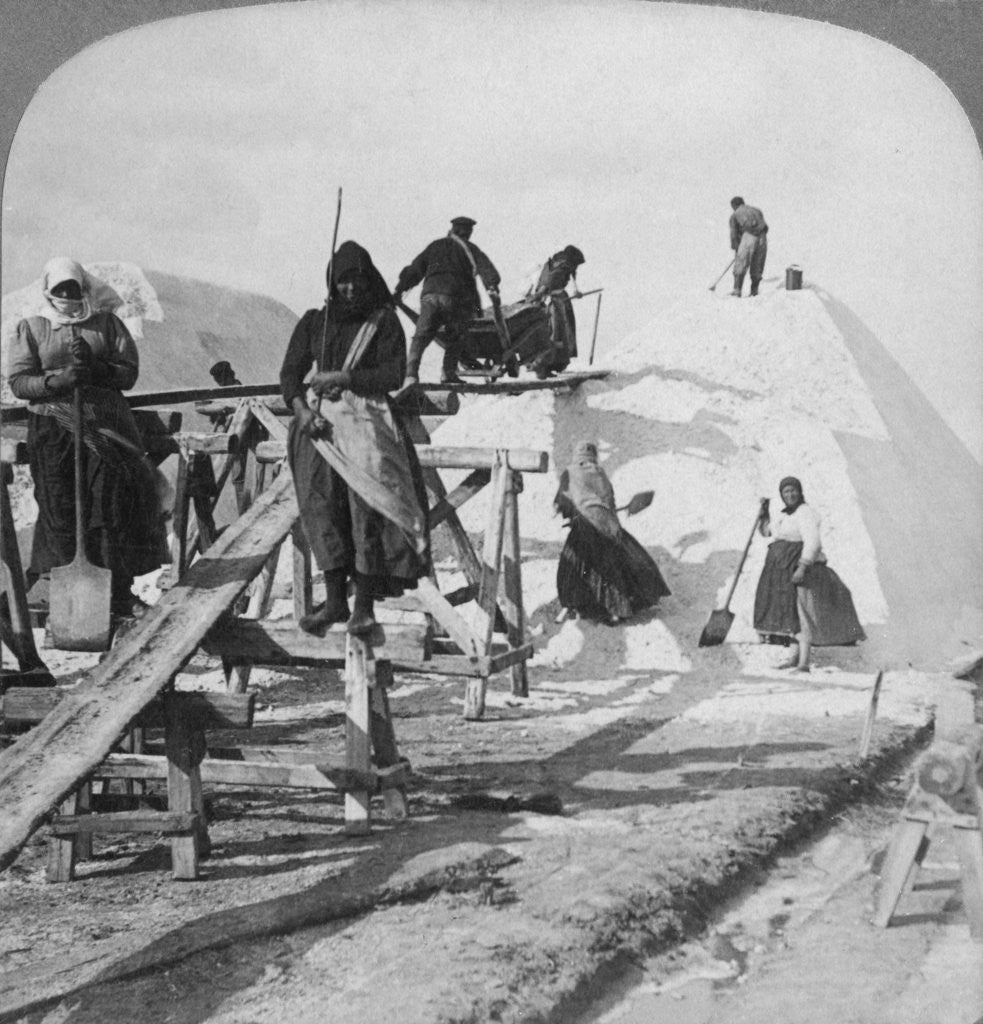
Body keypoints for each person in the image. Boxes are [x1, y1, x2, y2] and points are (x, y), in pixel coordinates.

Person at [280, 240, 431, 637]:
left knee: (367, 509)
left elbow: (393, 374)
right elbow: (290, 373)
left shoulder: (383, 322)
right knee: (321, 507)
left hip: (365, 420)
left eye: (356, 281)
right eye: (342, 281)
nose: (349, 289)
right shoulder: (315, 322)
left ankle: (363, 607)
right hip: (318, 427)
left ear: (368, 281)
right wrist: (302, 411)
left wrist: (344, 377)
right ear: (332, 282)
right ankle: (334, 602)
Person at [6, 258, 166, 619]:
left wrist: (97, 368)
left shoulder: (106, 324)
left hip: (104, 426)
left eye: (72, 287)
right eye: (60, 288)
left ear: (83, 288)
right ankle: (67, 596)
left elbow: (128, 374)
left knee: (108, 504)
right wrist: (57, 381)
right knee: (59, 505)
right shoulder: (33, 327)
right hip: (53, 427)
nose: (67, 294)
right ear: (48, 290)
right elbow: (19, 382)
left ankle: (118, 594)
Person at [753, 476, 865, 671]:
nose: (790, 494)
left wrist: (802, 567)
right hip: (781, 570)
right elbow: (767, 532)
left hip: (799, 568)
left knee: (801, 613)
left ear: (800, 492)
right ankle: (794, 658)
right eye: (786, 492)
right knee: (790, 613)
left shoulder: (805, 513)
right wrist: (764, 513)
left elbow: (813, 542)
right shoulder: (784, 515)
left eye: (793, 490)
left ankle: (804, 663)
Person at [554, 441, 670, 624]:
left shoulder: (569, 473)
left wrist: (568, 512)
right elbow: (610, 501)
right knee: (617, 564)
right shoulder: (600, 472)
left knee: (574, 566)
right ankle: (618, 608)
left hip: (585, 525)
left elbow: (562, 502)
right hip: (609, 526)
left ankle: (577, 604)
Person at [393, 216, 501, 388]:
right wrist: (492, 286)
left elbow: (415, 269)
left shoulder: (435, 246)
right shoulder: (470, 249)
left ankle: (411, 374)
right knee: (456, 336)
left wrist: (400, 289)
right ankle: (448, 373)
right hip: (456, 297)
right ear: (467, 233)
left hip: (429, 297)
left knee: (421, 335)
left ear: (452, 230)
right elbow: (485, 267)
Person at [527, 245, 585, 378]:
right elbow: (548, 282)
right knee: (556, 334)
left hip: (558, 301)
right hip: (554, 304)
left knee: (561, 334)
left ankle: (552, 365)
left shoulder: (556, 263)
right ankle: (543, 365)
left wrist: (576, 292)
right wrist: (540, 294)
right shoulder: (562, 266)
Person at [728, 196, 768, 297]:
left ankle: (737, 290)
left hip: (749, 236)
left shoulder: (735, 215)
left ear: (734, 205)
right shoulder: (757, 210)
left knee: (741, 263)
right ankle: (754, 291)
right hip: (763, 237)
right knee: (758, 263)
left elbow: (734, 235)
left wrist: (737, 249)